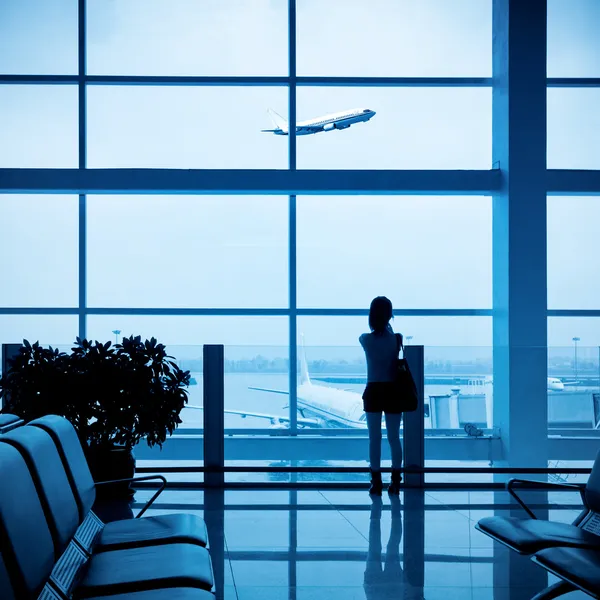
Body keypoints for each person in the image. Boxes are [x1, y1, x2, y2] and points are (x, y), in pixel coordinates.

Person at [359, 296, 403, 495]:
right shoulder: (397, 339)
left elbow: (371, 335)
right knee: (394, 438)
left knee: (373, 438)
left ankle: (375, 481)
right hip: (393, 390)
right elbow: (392, 339)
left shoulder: (365, 339)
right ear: (390, 315)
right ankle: (396, 481)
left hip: (374, 390)